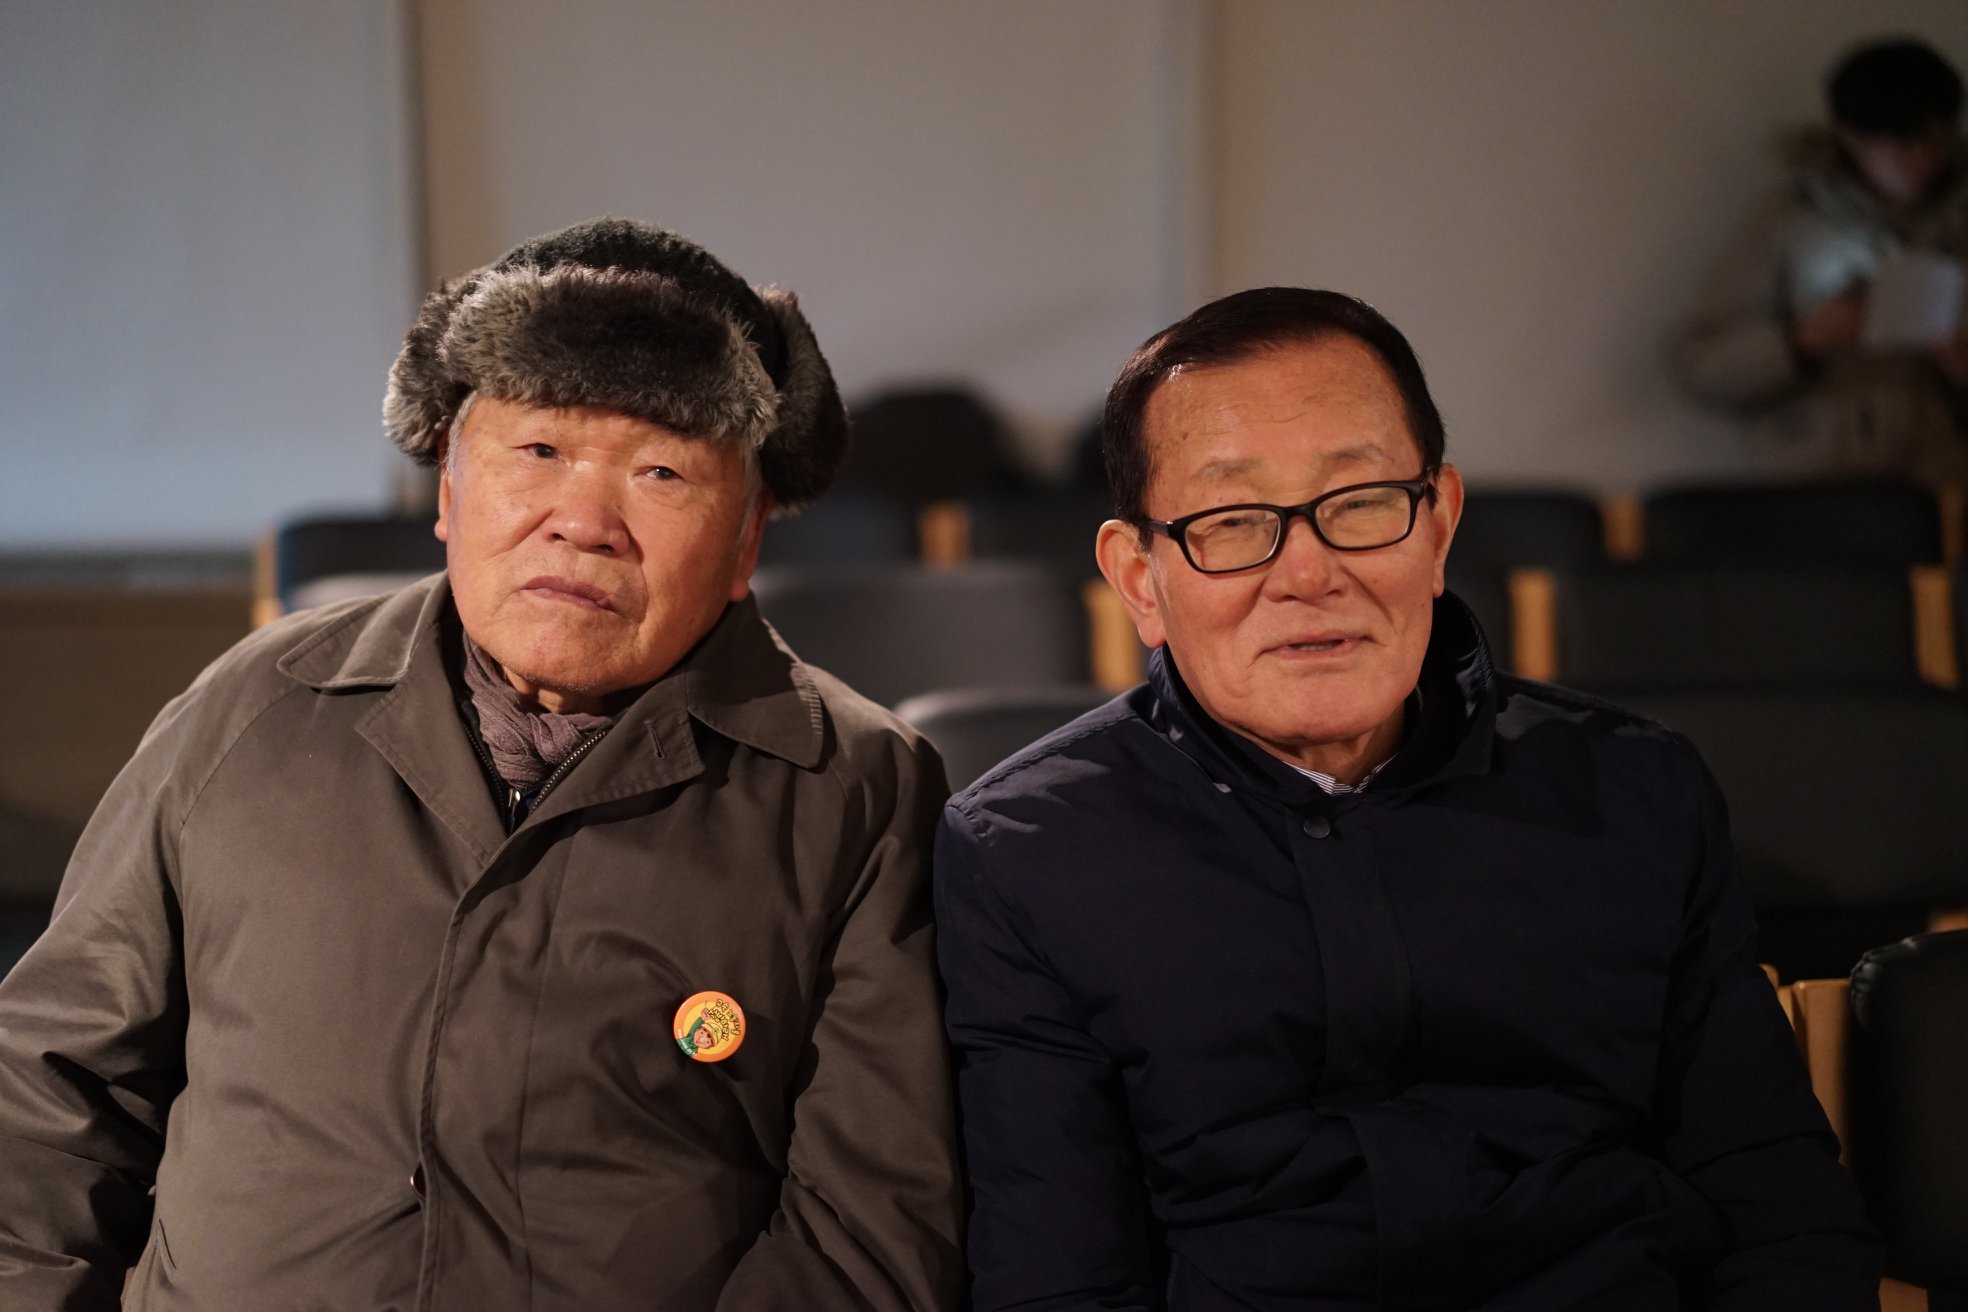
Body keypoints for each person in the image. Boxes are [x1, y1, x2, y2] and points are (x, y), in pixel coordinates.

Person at [0, 218, 962, 1310]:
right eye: (539, 451)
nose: (584, 522)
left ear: (746, 542)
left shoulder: (857, 791)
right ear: (449, 492)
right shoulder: (256, 707)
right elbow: (47, 1098)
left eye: (660, 470)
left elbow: (870, 1227)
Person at [937, 287, 1879, 1309]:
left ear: (1438, 526)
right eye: (1233, 521)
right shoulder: (1026, 855)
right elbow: (1059, 1283)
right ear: (1139, 579)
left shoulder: (1635, 790)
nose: (1308, 573)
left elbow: (1774, 1205)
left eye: (1359, 503)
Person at [1675, 36, 1968, 482]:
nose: (1922, 159)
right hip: (1819, 487)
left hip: (1945, 481)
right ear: (1849, 136)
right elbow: (1701, 370)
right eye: (1900, 144)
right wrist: (1803, 341)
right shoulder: (1787, 222)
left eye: (1935, 139)